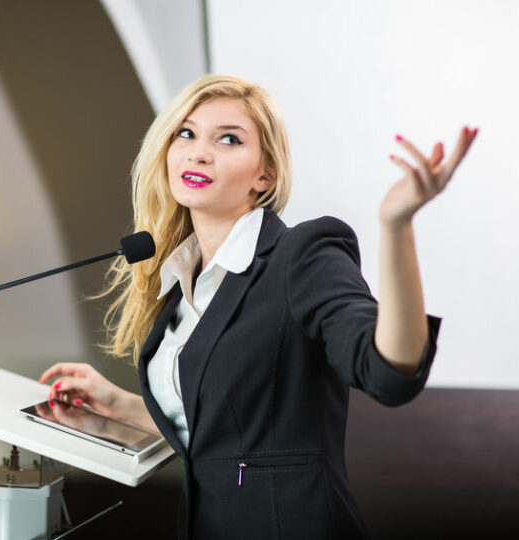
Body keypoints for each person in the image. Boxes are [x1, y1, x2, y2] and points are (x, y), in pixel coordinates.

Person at [39, 74, 477, 539]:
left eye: (228, 139)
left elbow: (390, 371)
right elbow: (222, 432)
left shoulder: (302, 256)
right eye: (185, 133)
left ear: (265, 174)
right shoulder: (180, 285)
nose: (198, 152)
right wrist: (119, 403)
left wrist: (396, 227)